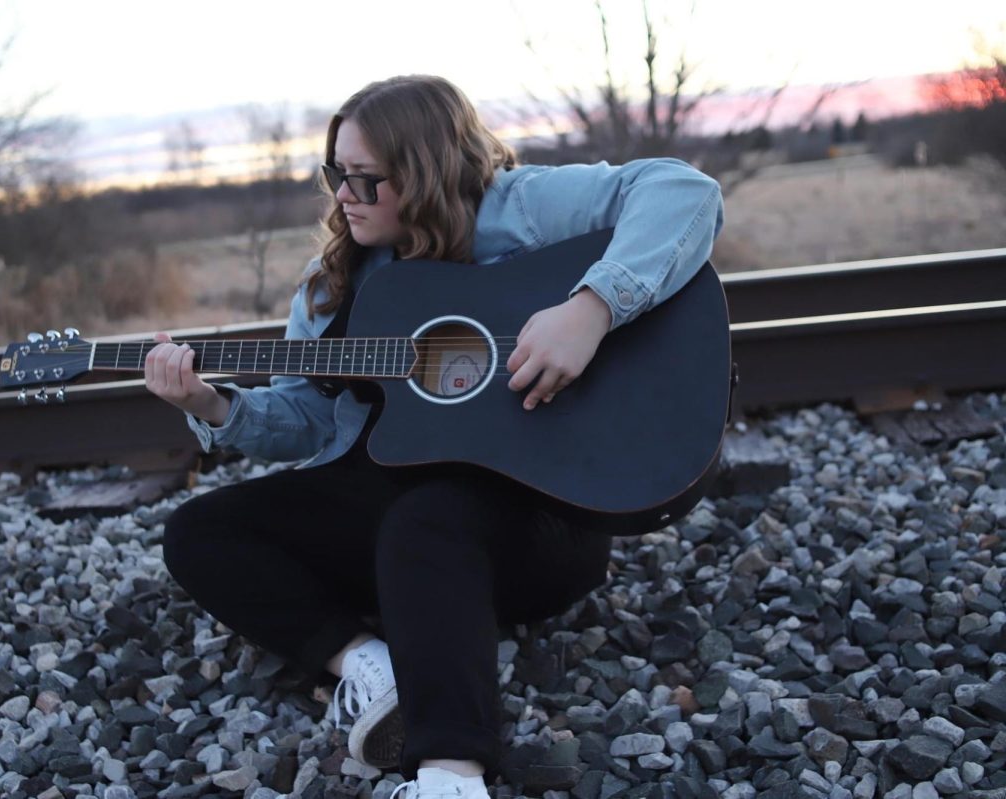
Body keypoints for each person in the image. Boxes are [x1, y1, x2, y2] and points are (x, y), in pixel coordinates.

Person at [146, 75, 723, 799]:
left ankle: (451, 775)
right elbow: (307, 423)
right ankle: (367, 663)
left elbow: (685, 192)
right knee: (199, 530)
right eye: (336, 174)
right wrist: (211, 401)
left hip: (541, 524)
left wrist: (591, 308)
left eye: (364, 179)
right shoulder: (332, 284)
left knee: (428, 515)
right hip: (398, 535)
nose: (343, 196)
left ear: (422, 172)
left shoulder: (520, 208)